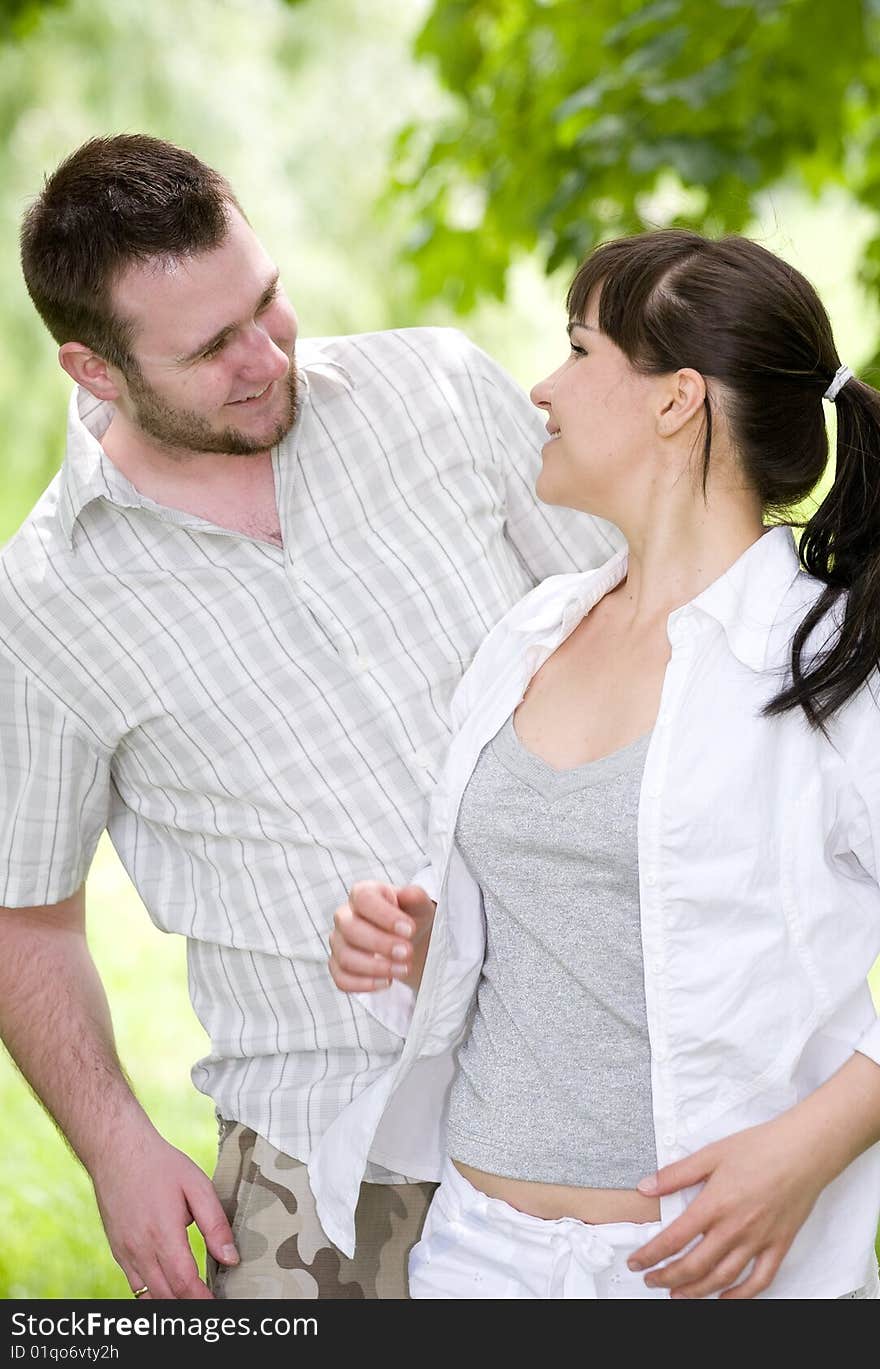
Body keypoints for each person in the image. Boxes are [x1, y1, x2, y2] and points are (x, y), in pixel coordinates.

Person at [0, 134, 622, 1301]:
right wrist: (115, 1145)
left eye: (268, 302)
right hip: (322, 1144)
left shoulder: (438, 391)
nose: (264, 354)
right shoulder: (40, 605)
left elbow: (645, 639)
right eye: (208, 348)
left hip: (597, 1067)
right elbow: (24, 919)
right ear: (92, 369)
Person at [328, 228, 880, 1298]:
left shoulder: (829, 658)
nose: (542, 388)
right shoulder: (534, 630)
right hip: (479, 1248)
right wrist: (422, 941)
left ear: (676, 401)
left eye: (577, 351)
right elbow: (576, 927)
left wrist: (808, 1147)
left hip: (709, 1268)